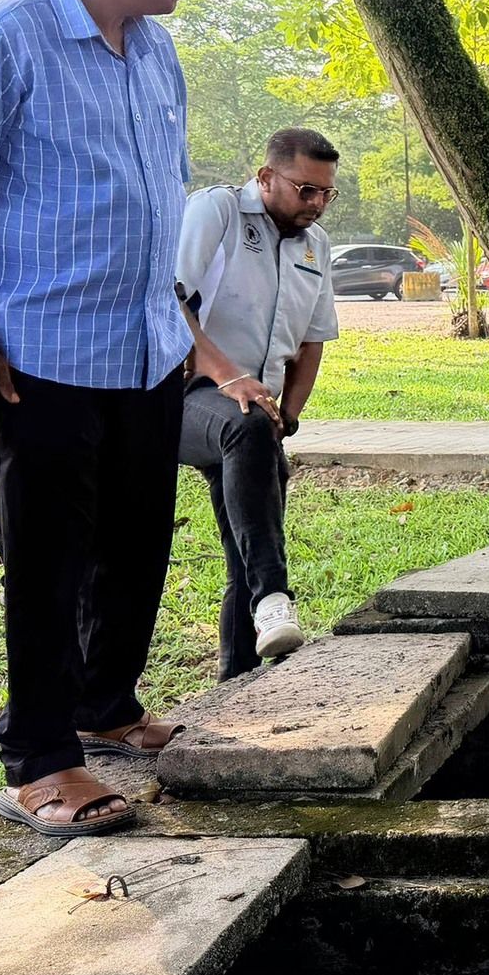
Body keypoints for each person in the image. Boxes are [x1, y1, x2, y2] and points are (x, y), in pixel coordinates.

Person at [0, 0, 198, 840]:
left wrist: (185, 337)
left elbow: (158, 190)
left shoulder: (157, 51)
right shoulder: (9, 36)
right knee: (47, 561)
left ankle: (105, 702)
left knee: (136, 542)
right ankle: (38, 758)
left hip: (143, 347)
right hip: (38, 352)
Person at [176, 127, 342, 679]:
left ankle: (239, 681)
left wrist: (288, 415)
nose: (316, 204)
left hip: (255, 414)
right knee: (244, 426)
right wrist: (228, 378)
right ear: (266, 176)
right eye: (305, 190)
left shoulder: (315, 248)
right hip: (183, 394)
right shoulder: (218, 211)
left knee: (245, 542)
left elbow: (313, 339)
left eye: (325, 194)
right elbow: (167, 296)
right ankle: (274, 595)